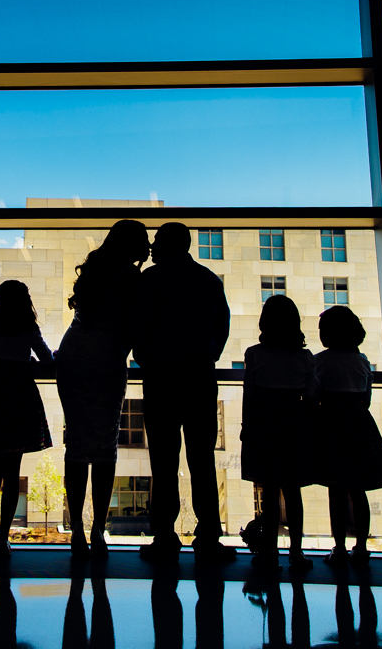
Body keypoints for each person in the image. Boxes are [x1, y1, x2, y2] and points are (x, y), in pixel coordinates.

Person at [134, 221, 233, 563]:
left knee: (163, 460)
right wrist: (207, 353)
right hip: (198, 373)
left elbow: (137, 326)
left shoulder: (149, 279)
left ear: (166, 244)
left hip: (160, 375)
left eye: (157, 240)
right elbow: (222, 324)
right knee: (201, 459)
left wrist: (145, 357)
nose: (152, 246)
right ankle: (208, 534)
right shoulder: (208, 280)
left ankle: (165, 535)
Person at [56, 219, 150, 556]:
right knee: (105, 443)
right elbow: (135, 325)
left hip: (72, 354)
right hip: (106, 358)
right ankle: (98, 529)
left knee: (77, 442)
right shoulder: (132, 276)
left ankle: (78, 530)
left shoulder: (96, 266)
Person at [0, 280, 55, 558]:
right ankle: (3, 538)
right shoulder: (28, 328)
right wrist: (26, 362)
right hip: (19, 396)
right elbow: (47, 360)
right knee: (13, 471)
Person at [240, 294, 316, 569]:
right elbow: (310, 398)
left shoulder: (255, 354)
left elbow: (250, 395)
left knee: (269, 493)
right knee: (293, 493)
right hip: (294, 427)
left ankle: (270, 551)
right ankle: (296, 551)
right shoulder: (306, 358)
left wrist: (246, 429)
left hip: (264, 426)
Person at [314, 306, 382, 566]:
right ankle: (361, 547)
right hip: (360, 427)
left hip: (331, 428)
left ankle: (339, 548)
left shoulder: (321, 361)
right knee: (359, 492)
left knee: (336, 493)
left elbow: (315, 397)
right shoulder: (362, 361)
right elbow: (366, 400)